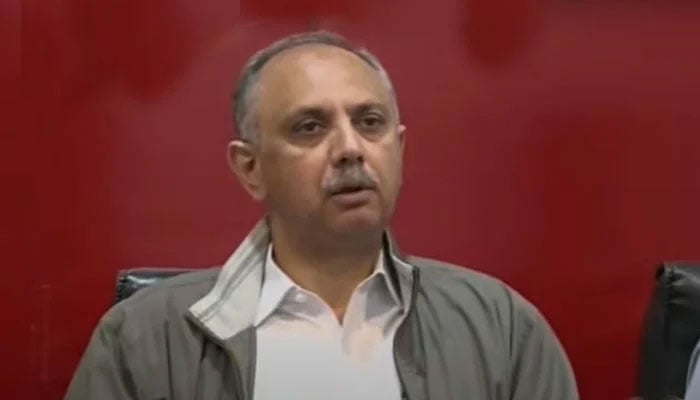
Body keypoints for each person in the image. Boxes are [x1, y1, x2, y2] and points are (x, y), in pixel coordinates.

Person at [65, 31, 578, 400]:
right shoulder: (142, 341)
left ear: (398, 149)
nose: (350, 148)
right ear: (250, 168)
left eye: (370, 122)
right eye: (310, 127)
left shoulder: (501, 329)